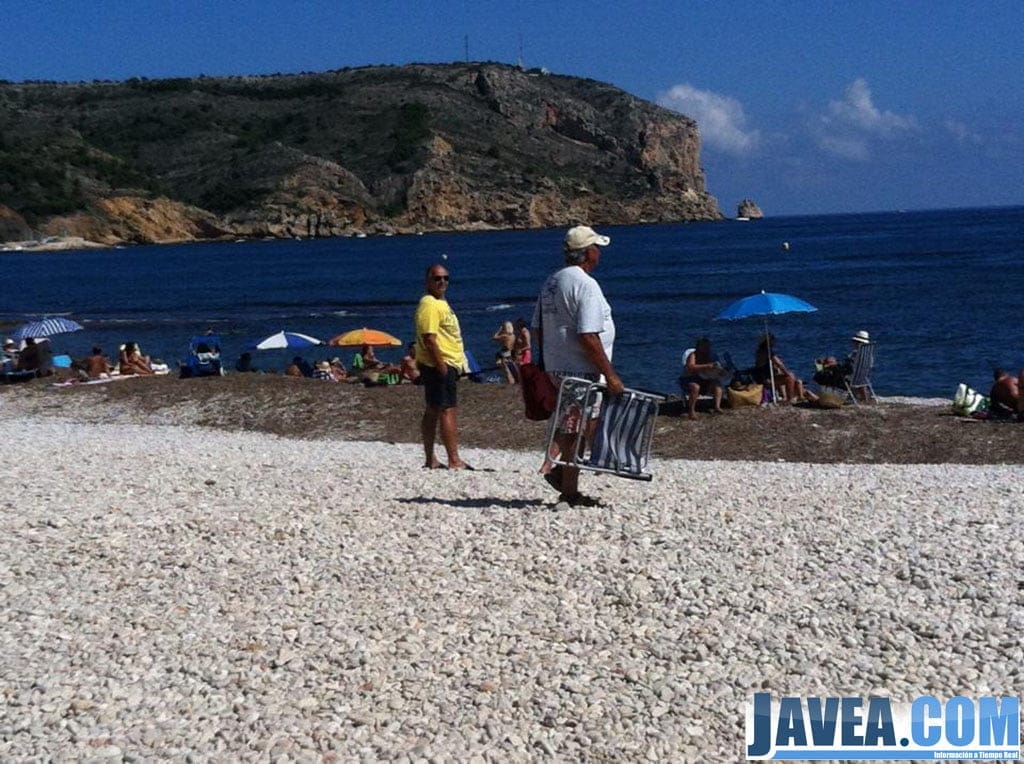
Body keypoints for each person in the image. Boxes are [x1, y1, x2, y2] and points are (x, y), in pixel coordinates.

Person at [533, 225, 624, 507]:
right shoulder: (585, 284)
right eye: (596, 248)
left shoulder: (552, 281)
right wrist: (610, 374)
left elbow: (538, 328)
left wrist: (548, 359)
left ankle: (566, 481)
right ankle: (563, 483)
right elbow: (588, 334)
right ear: (589, 253)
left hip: (558, 366)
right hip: (579, 369)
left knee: (575, 425)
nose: (599, 253)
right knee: (573, 428)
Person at [415, 263, 471, 470]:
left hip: (444, 362)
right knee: (447, 409)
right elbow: (429, 338)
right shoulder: (430, 304)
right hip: (440, 363)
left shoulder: (440, 302)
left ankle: (431, 459)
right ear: (428, 280)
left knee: (433, 408)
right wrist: (442, 366)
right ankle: (454, 459)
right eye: (437, 278)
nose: (442, 282)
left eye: (446, 278)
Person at [752, 333, 814, 403]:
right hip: (766, 379)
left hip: (762, 377)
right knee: (790, 377)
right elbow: (779, 364)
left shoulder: (759, 351)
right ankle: (790, 399)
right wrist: (786, 373)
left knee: (789, 377)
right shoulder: (768, 352)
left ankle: (791, 396)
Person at [680, 337, 728, 419]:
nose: (707, 348)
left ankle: (717, 406)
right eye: (705, 346)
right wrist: (706, 366)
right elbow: (690, 367)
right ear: (699, 346)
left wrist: (720, 370)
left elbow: (716, 366)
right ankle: (691, 411)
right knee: (695, 387)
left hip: (705, 378)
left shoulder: (710, 355)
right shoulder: (693, 355)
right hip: (690, 378)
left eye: (708, 346)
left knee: (717, 384)